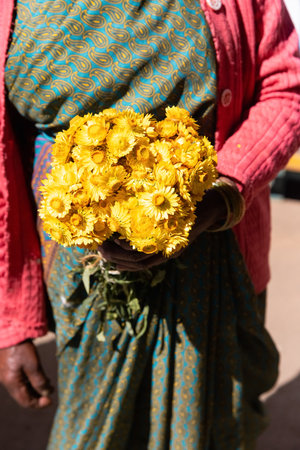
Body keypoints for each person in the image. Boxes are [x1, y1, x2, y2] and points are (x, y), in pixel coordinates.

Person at [0, 0, 300, 448]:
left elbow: (286, 87)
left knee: (215, 423)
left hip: (215, 254)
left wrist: (222, 194)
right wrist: (12, 323)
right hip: (76, 273)